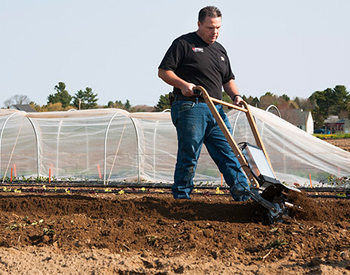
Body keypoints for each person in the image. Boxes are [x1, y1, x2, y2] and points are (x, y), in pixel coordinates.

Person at [158, 6, 250, 201]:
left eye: (218, 27)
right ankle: (182, 198)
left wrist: (236, 96)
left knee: (229, 153)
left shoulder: (220, 50)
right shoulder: (184, 44)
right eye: (210, 27)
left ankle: (244, 196)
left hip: (216, 109)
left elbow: (228, 79)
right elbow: (164, 71)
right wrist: (183, 84)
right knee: (189, 153)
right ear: (199, 24)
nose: (214, 32)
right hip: (191, 107)